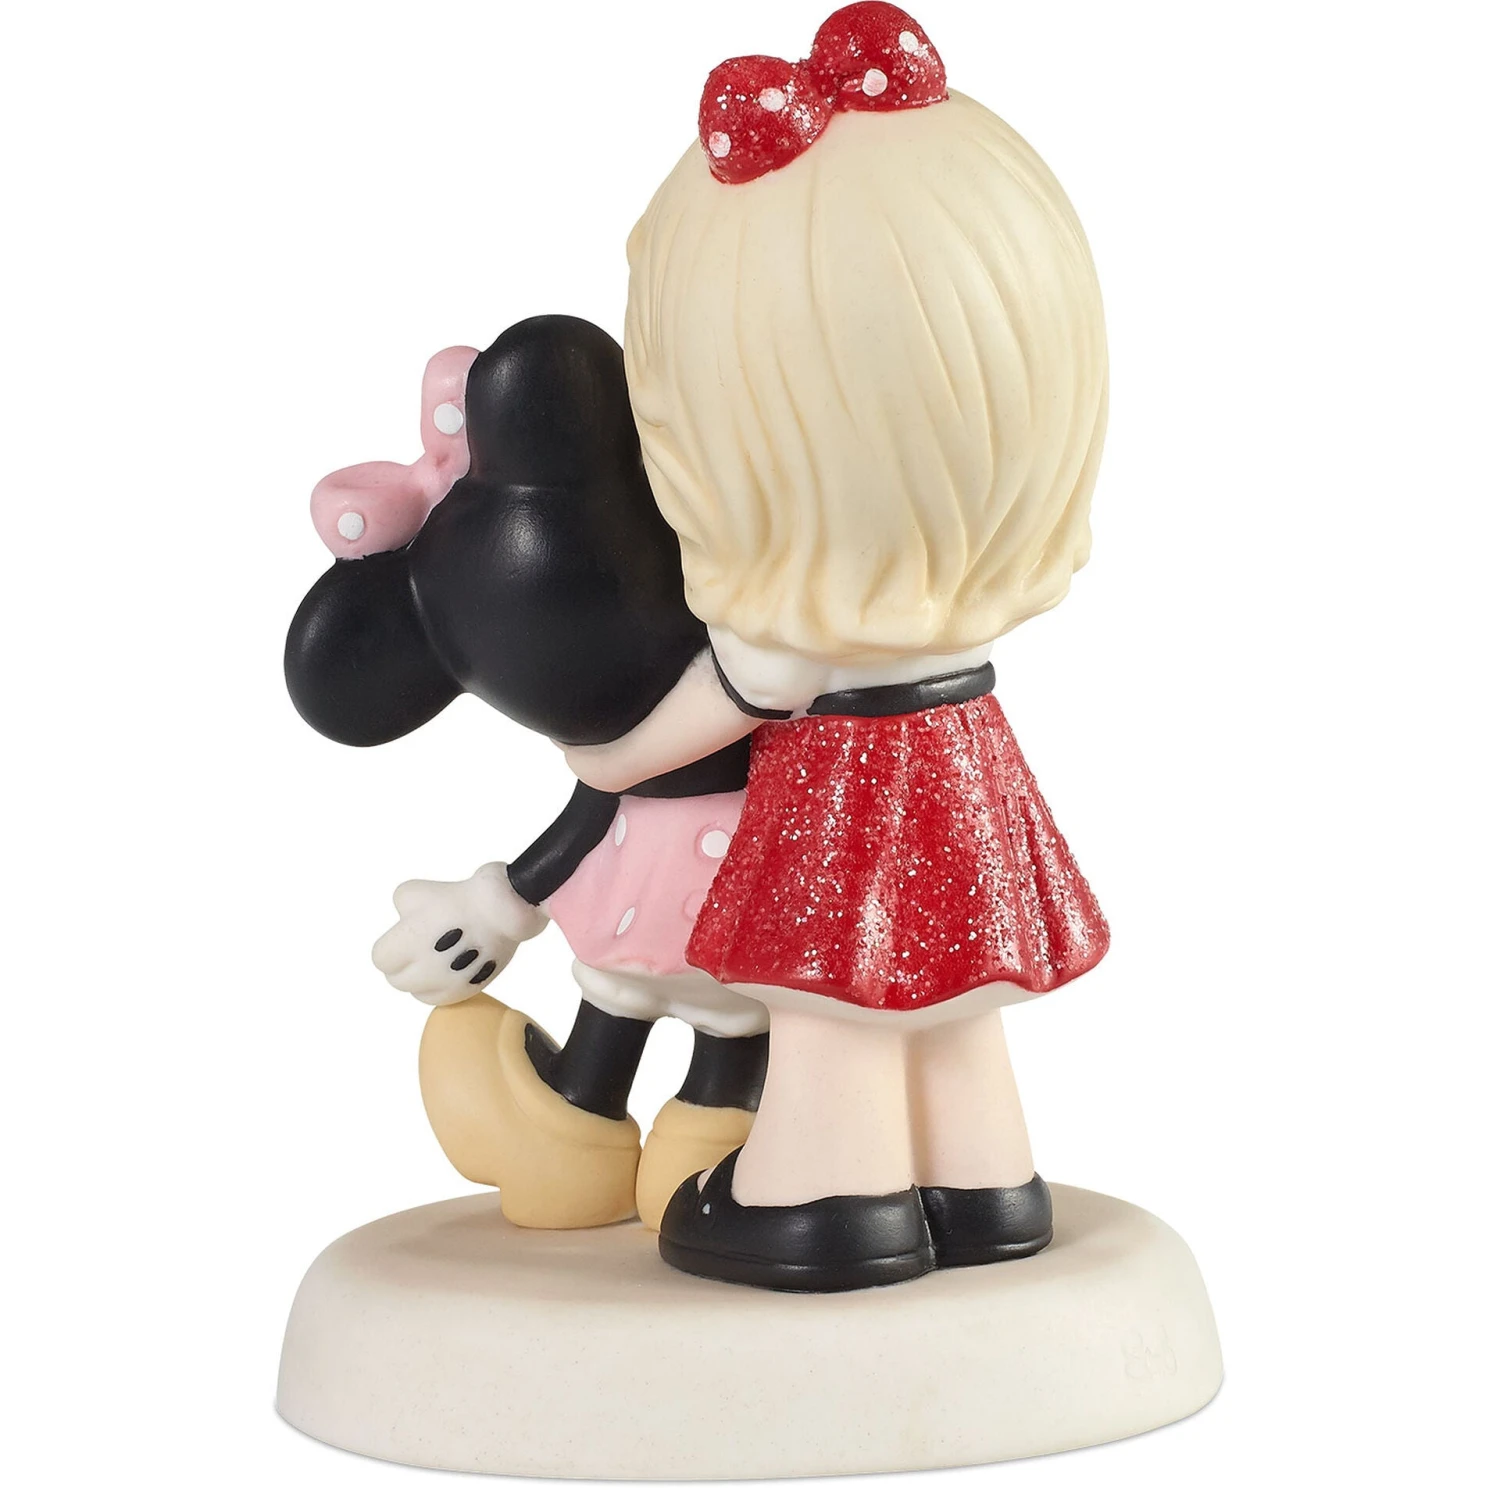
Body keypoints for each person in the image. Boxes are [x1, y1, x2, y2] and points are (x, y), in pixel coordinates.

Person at [564, 3, 1111, 1290]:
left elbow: (720, 701)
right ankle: (986, 1184)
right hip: (967, 757)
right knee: (955, 1004)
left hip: (849, 782)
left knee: (838, 1002)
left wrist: (606, 759)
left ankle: (826, 1193)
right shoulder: (955, 582)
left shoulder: (788, 633)